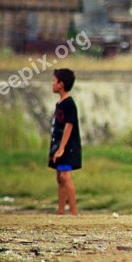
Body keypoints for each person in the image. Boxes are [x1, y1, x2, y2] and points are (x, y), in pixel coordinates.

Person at [49, 69, 82, 215]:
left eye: (54, 81)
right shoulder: (60, 103)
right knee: (59, 177)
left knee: (65, 176)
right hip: (58, 144)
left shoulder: (69, 103)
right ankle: (61, 210)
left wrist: (62, 148)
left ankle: (73, 211)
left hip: (68, 145)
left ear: (61, 84)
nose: (52, 84)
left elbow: (69, 125)